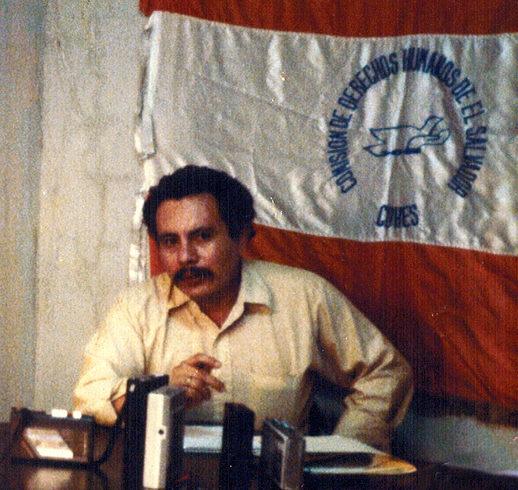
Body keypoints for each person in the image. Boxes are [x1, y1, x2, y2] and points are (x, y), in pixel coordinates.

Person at [73, 165, 413, 451]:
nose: (185, 256)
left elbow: (386, 372)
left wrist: (342, 451)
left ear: (240, 238)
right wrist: (158, 392)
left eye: (202, 236)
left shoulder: (305, 296)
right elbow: (89, 394)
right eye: (170, 241)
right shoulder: (137, 307)